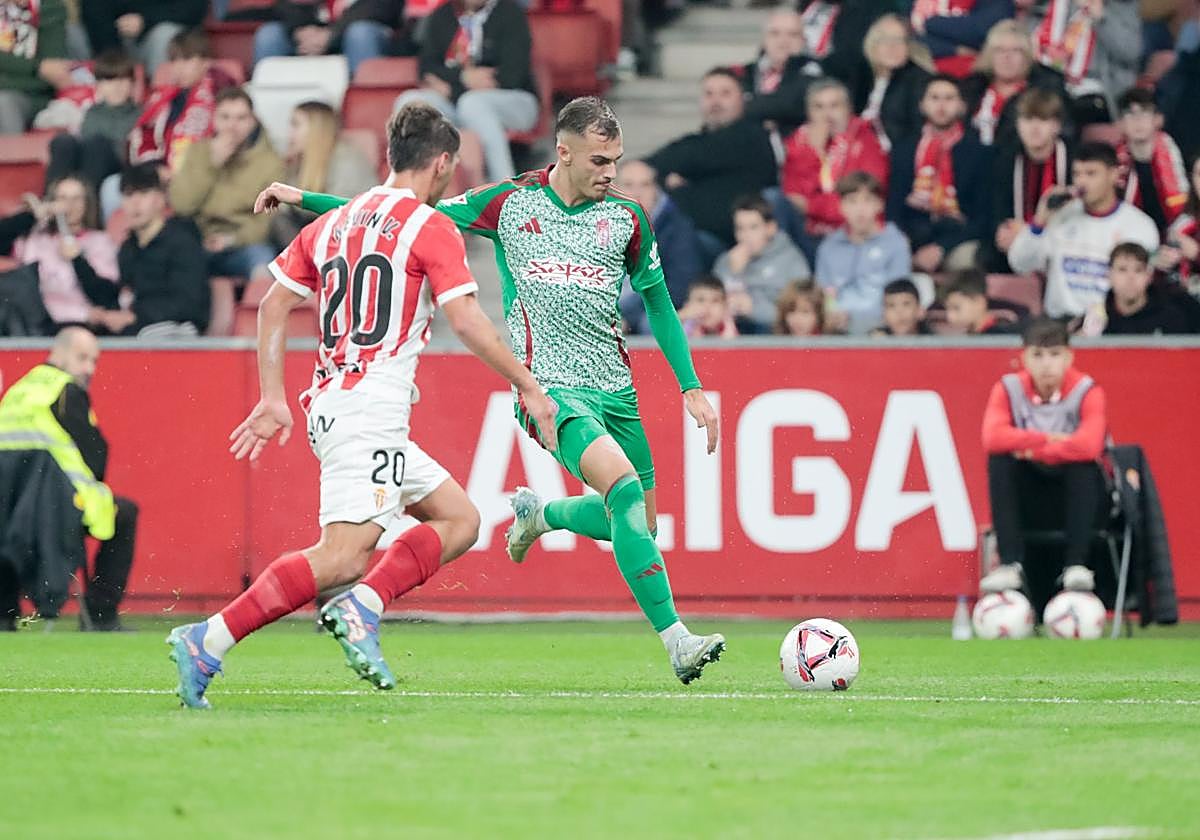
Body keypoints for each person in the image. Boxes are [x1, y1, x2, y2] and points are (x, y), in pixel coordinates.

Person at [266, 97, 727, 686]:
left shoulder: (627, 218)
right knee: (625, 490)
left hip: (617, 389)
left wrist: (690, 387)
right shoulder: (509, 203)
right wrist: (305, 200)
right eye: (599, 160)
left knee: (641, 525)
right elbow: (399, 212)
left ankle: (541, 516)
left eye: (616, 159)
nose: (611, 172)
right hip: (552, 391)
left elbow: (659, 302)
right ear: (563, 152)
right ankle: (678, 642)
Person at [166, 103, 558, 710]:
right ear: (444, 163)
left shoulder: (336, 221)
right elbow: (468, 321)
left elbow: (272, 305)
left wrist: (274, 395)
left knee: (459, 520)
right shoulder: (431, 227)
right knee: (344, 554)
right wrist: (527, 383)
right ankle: (208, 639)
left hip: (339, 401)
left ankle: (363, 605)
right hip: (367, 407)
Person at [0, 327, 138, 631]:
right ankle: (101, 615)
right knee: (124, 513)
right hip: (55, 510)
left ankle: (3, 614)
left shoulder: (18, 390)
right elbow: (95, 457)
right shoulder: (66, 391)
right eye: (82, 358)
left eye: (94, 361)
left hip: (9, 515)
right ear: (59, 354)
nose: (89, 368)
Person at [979, 317, 1109, 603]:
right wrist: (1050, 440)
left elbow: (1088, 446)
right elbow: (993, 438)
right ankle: (1010, 563)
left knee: (1083, 467)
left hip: (1075, 497)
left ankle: (1077, 563)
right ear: (1024, 357)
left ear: (1069, 357)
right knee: (1000, 461)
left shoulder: (1087, 391)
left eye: (1054, 354)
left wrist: (1027, 446)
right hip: (1030, 496)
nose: (1046, 364)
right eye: (1037, 355)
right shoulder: (1008, 389)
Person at [1008, 142, 1159, 320]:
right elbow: (1020, 264)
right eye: (1077, 174)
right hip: (1059, 324)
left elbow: (1142, 288)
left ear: (1113, 175)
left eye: (1091, 174)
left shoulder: (1139, 226)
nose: (1082, 182)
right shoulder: (1060, 216)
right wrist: (1039, 221)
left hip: (1111, 326)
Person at [396, 0, 538, 182]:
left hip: (515, 102)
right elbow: (427, 68)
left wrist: (450, 84)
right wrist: (464, 78)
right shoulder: (443, 15)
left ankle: (504, 190)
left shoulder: (510, 13)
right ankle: (412, 186)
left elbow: (511, 76)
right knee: (410, 101)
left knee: (472, 104)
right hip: (458, 102)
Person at [645, 67, 779, 251]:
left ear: (742, 99)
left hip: (730, 244)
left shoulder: (754, 137)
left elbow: (698, 156)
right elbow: (646, 166)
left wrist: (681, 189)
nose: (715, 101)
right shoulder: (693, 142)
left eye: (725, 93)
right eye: (709, 94)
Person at [168, 88, 285, 283]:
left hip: (243, 244)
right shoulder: (198, 152)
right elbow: (181, 205)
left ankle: (257, 312)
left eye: (240, 118)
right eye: (225, 117)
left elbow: (268, 222)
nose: (232, 126)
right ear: (214, 120)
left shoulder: (270, 162)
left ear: (252, 121)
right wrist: (211, 165)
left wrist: (230, 240)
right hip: (197, 241)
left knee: (262, 258)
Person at [85, 164, 210, 337]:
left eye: (143, 193)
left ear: (160, 198)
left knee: (145, 335)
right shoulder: (128, 248)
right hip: (139, 325)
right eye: (128, 195)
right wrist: (105, 314)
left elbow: (188, 303)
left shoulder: (183, 243)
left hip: (179, 327)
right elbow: (125, 294)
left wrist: (136, 316)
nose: (135, 203)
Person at [887, 74, 993, 274]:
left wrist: (942, 247)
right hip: (912, 233)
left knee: (966, 260)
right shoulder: (904, 150)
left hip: (959, 236)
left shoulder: (980, 153)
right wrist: (903, 241)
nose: (941, 105)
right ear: (922, 105)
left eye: (949, 98)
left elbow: (983, 217)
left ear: (962, 106)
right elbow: (893, 205)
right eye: (934, 98)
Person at [781, 77, 889, 251]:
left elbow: (865, 201)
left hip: (852, 233)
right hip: (808, 233)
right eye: (819, 107)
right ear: (809, 113)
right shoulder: (798, 142)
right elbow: (793, 196)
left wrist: (811, 206)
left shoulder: (866, 142)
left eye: (834, 106)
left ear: (848, 110)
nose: (827, 115)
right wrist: (813, 153)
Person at [2, 176, 119, 328]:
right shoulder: (35, 239)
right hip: (34, 323)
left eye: (77, 198)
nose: (69, 205)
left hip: (81, 324)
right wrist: (33, 215)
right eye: (62, 198)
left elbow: (105, 296)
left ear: (87, 203)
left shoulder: (100, 241)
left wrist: (78, 260)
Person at [269, 101, 378, 250]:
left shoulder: (347, 159)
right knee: (279, 221)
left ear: (316, 129)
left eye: (296, 125)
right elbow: (284, 207)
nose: (290, 133)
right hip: (323, 233)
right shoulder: (301, 160)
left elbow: (342, 211)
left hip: (354, 235)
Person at [985, 88, 1071, 273]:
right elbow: (996, 209)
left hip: (1064, 240)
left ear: (1056, 126)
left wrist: (1029, 231)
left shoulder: (1074, 160)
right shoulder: (1005, 160)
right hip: (1014, 243)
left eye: (1042, 120)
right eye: (1027, 120)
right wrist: (1002, 230)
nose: (1034, 128)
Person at [815, 170, 911, 334]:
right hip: (837, 331)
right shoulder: (828, 247)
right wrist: (832, 313)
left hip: (881, 330)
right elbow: (825, 291)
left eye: (867, 201)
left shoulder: (896, 243)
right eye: (852, 201)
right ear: (841, 206)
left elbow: (897, 296)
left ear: (879, 205)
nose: (860, 210)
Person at [615, 159, 703, 334]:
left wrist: (627, 316)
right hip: (608, 309)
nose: (637, 192)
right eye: (629, 185)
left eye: (645, 185)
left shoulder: (677, 228)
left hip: (644, 312)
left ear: (656, 189)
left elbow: (678, 286)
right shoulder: (594, 223)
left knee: (652, 323)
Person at [1031, 0, 1141, 126]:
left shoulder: (1121, 6)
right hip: (1051, 84)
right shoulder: (1051, 4)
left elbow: (1130, 53)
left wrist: (1102, 18)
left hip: (1098, 92)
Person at [960, 20, 1067, 150]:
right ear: (989, 55)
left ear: (1027, 57)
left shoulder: (1046, 89)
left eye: (1016, 50)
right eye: (1000, 50)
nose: (1007, 57)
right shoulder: (972, 87)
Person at [44, 50, 139, 193]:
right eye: (109, 80)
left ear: (132, 84)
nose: (116, 87)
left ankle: (88, 203)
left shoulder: (140, 114)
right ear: (99, 85)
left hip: (119, 169)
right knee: (63, 141)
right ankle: (51, 200)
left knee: (97, 144)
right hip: (88, 165)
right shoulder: (92, 113)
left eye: (122, 80)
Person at [712, 195, 810, 334]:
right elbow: (713, 305)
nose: (746, 235)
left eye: (753, 227)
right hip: (734, 334)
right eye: (740, 228)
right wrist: (734, 273)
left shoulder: (792, 261)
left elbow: (801, 314)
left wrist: (754, 310)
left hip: (775, 336)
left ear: (771, 228)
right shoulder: (726, 261)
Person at [253, 0, 403, 75]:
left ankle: (362, 105)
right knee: (270, 34)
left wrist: (332, 34)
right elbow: (284, 6)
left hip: (366, 38)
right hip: (314, 37)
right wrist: (299, 29)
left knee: (360, 34)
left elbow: (383, 6)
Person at [1115, 87, 1189, 236]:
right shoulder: (1114, 161)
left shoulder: (1176, 152)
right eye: (1130, 114)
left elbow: (1185, 206)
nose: (1138, 121)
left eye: (1145, 112)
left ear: (1157, 119)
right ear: (1120, 123)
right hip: (1128, 235)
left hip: (1174, 233)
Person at [854, 13, 933, 152]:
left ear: (909, 47)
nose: (892, 47)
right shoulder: (863, 78)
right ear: (873, 44)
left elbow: (918, 135)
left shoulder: (919, 80)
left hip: (897, 158)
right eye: (885, 40)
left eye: (899, 40)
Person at [80, 0, 207, 77]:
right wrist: (115, 62)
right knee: (73, 33)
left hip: (155, 40)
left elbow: (194, 8)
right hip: (113, 41)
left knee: (164, 33)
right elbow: (93, 8)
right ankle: (90, 97)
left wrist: (145, 19)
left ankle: (160, 97)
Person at [0, 0, 70, 134]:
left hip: (30, 96)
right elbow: (43, 68)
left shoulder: (50, 8)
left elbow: (52, 73)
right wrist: (35, 67)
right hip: (21, 83)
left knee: (4, 103)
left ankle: (12, 154)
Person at [1101, 241, 1200, 334]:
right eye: (1122, 269)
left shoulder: (1172, 317)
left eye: (1138, 270)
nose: (1130, 277)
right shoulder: (1097, 322)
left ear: (1149, 276)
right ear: (1109, 275)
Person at [738, 6, 810, 131]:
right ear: (764, 39)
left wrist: (749, 106)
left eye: (792, 34)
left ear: (803, 41)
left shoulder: (817, 74)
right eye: (775, 33)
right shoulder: (741, 74)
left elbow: (792, 107)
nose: (783, 41)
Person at [913, 0, 1015, 63]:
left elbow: (980, 31)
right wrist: (955, 49)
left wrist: (930, 22)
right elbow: (913, 41)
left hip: (977, 76)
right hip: (928, 72)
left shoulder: (999, 3)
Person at [945, 268, 1016, 333]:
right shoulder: (968, 336)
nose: (950, 317)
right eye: (947, 309)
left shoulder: (1001, 336)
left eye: (956, 308)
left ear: (979, 302)